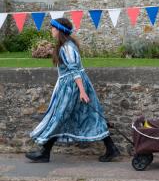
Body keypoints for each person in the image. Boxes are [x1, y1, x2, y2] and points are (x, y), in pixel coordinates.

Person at [25, 18, 120, 163]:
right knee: (84, 116)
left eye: (53, 28)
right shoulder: (65, 46)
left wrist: (82, 91)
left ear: (60, 30)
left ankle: (44, 153)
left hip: (72, 88)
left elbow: (75, 70)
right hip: (72, 85)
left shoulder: (67, 48)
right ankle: (111, 148)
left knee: (59, 117)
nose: (51, 30)